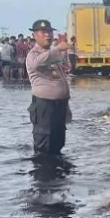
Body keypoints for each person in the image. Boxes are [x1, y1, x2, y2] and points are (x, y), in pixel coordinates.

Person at [26, 19, 72, 155]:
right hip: (44, 106)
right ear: (35, 35)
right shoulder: (33, 55)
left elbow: (61, 80)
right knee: (44, 146)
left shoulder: (52, 56)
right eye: (43, 32)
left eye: (50, 32)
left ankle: (57, 174)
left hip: (59, 106)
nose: (48, 35)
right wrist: (58, 49)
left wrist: (67, 106)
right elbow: (37, 64)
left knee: (58, 142)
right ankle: (44, 174)